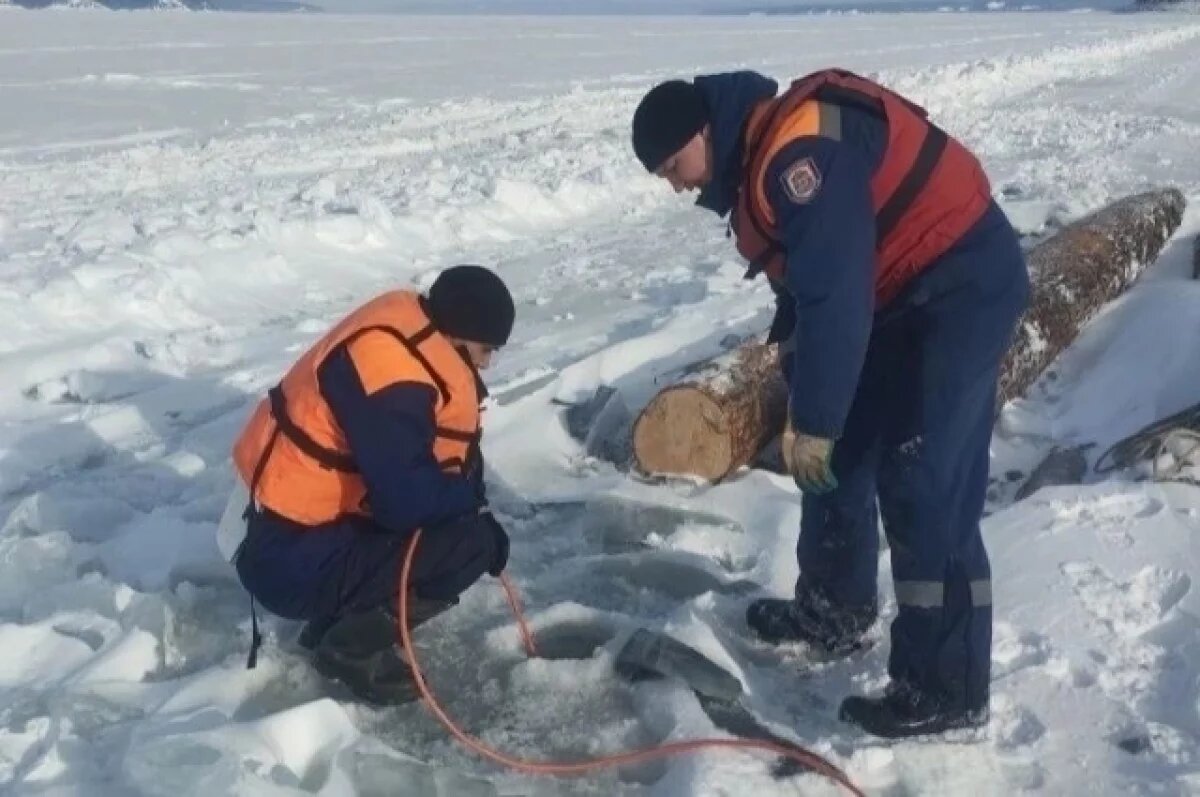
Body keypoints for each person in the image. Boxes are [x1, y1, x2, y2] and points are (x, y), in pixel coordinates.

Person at [631, 68, 1030, 738]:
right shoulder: (757, 157)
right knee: (838, 453)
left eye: (673, 166)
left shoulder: (797, 156)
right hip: (897, 291)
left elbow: (837, 295)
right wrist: (810, 403)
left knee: (925, 479)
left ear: (704, 133)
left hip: (961, 284)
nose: (676, 185)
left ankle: (947, 688)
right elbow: (807, 287)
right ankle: (833, 611)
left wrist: (814, 419)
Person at [225, 264, 515, 705]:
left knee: (449, 525)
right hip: (285, 561)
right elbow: (407, 503)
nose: (487, 363)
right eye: (485, 349)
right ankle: (350, 651)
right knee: (471, 545)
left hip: (289, 535)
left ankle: (329, 628)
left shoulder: (400, 343)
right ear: (457, 332)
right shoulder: (391, 376)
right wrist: (471, 502)